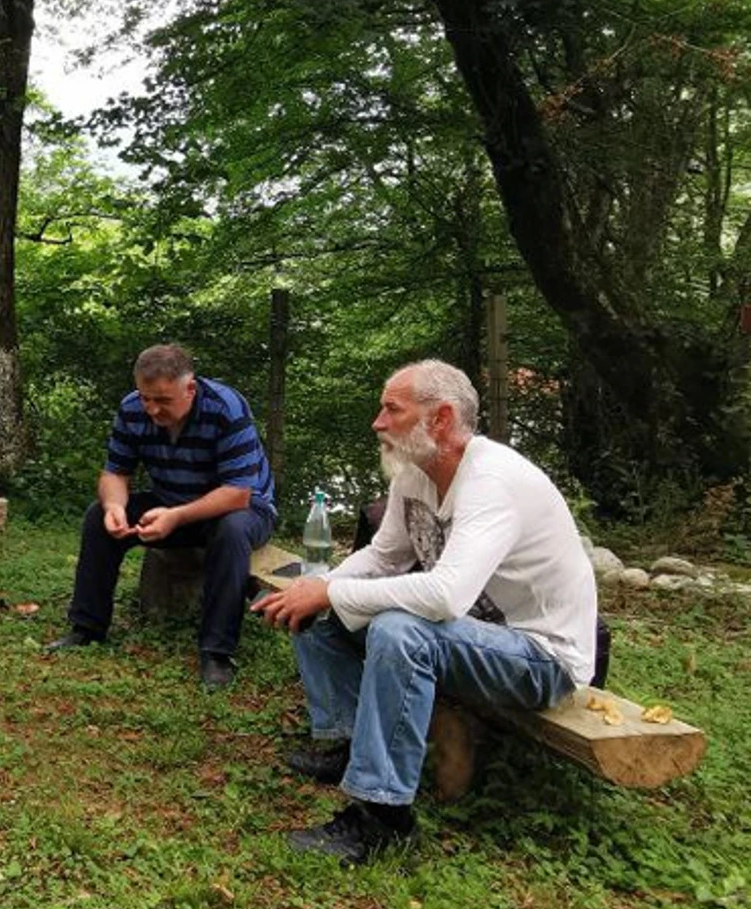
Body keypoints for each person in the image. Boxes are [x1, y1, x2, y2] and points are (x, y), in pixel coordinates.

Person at [253, 361, 596, 864]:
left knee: (398, 630)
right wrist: (321, 587)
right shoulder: (415, 472)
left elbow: (445, 597)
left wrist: (330, 593)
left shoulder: (492, 480)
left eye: (392, 409)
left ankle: (383, 818)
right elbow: (384, 556)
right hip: (466, 636)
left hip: (539, 655)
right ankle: (351, 741)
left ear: (440, 418)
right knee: (320, 605)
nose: (377, 422)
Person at [44, 344, 276, 689]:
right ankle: (87, 628)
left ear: (190, 389)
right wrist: (115, 508)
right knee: (97, 518)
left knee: (231, 532)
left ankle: (216, 652)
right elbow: (115, 474)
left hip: (241, 508)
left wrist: (176, 516)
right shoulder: (131, 409)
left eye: (163, 401)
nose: (152, 409)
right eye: (145, 397)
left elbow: (237, 493)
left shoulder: (226, 408)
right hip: (171, 502)